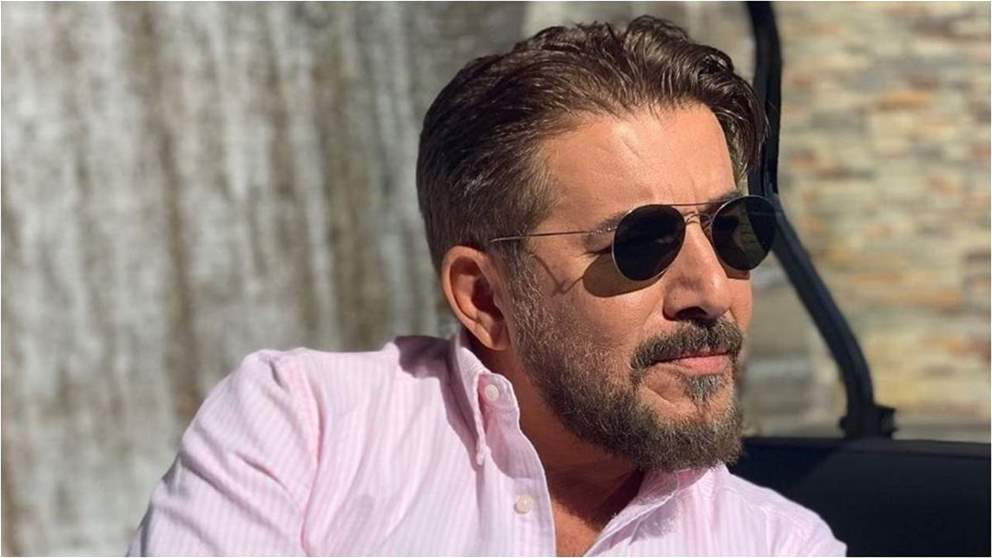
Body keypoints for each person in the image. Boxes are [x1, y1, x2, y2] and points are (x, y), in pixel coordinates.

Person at [128, 16, 845, 556]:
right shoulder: (304, 433)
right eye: (642, 244)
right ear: (484, 298)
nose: (713, 290)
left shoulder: (781, 545)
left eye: (733, 230)